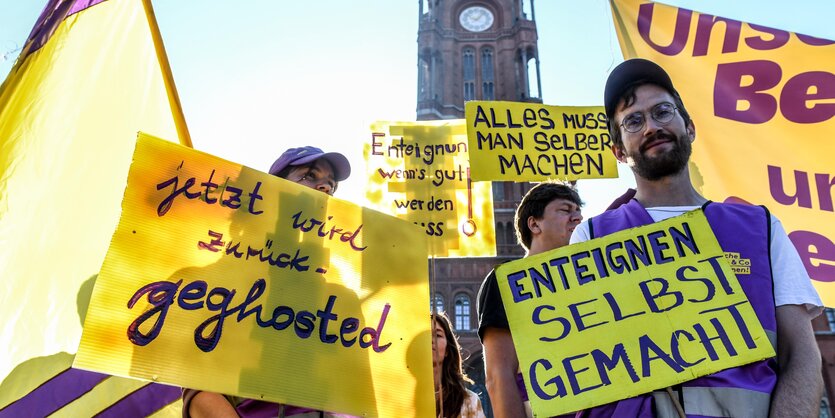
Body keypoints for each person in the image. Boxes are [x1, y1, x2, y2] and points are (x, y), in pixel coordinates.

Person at [569, 58, 823, 417]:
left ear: (689, 127)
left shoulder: (761, 228)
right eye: (633, 121)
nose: (651, 127)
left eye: (662, 111)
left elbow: (801, 354)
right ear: (619, 151)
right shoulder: (591, 236)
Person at [183, 146, 354, 418]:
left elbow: (358, 392)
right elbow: (196, 387)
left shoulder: (341, 297)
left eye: (331, 186)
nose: (324, 188)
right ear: (270, 189)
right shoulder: (220, 283)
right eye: (309, 176)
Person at [476, 181, 583, 418]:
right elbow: (498, 374)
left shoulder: (587, 277)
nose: (577, 218)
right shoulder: (506, 280)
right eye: (565, 211)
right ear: (534, 223)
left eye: (578, 212)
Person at [433, 312, 486, 418]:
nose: (431, 340)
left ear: (448, 349)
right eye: (425, 336)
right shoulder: (399, 397)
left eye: (437, 335)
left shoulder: (469, 402)